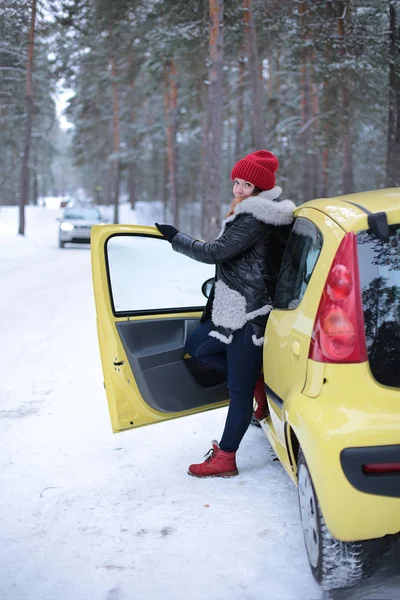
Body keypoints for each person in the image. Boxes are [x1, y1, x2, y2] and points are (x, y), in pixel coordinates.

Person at [155, 150, 295, 478]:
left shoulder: (255, 217)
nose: (239, 189)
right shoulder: (258, 213)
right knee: (202, 349)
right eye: (236, 182)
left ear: (260, 189)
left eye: (247, 184)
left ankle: (226, 456)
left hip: (250, 313)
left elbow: (215, 253)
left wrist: (177, 238)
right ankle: (257, 380)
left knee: (238, 391)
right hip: (237, 306)